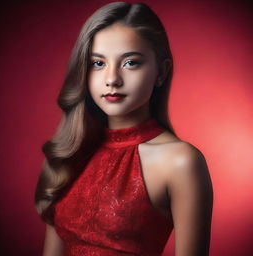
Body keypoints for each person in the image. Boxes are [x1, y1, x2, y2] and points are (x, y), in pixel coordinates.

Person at [35, 2, 213, 256]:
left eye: (130, 62)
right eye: (98, 63)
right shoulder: (71, 152)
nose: (111, 79)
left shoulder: (180, 162)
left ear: (160, 73)